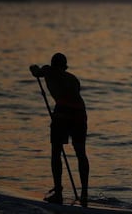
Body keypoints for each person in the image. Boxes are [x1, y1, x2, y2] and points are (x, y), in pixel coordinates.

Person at [30, 53, 89, 207]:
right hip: (80, 114)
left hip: (63, 113)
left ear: (52, 64)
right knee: (80, 152)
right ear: (65, 66)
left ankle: (58, 192)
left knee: (56, 151)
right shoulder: (74, 78)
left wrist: (33, 67)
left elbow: (36, 72)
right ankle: (84, 193)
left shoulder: (48, 71)